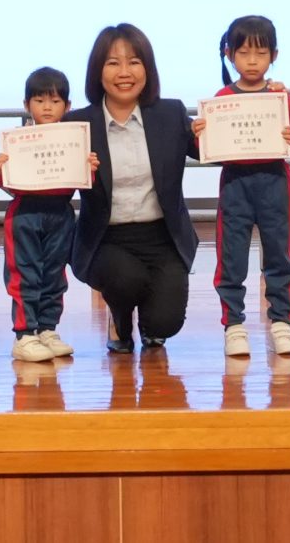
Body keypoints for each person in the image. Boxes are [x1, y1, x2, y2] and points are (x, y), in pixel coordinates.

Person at [73, 23, 198, 354]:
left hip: (162, 237)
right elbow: (47, 179)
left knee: (164, 325)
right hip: (105, 239)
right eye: (113, 63)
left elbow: (212, 148)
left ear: (148, 68)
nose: (124, 72)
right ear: (97, 70)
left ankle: (148, 319)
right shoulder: (77, 124)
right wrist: (6, 164)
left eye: (134, 62)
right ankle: (119, 317)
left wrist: (268, 100)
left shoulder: (170, 114)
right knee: (126, 279)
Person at [191, 15, 290, 359]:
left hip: (274, 183)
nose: (252, 61)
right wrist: (200, 135)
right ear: (229, 54)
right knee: (231, 258)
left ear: (274, 55)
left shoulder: (280, 96)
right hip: (235, 186)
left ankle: (281, 322)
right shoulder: (222, 99)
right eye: (243, 53)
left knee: (279, 257)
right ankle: (234, 325)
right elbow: (208, 151)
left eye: (261, 53)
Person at [0, 66, 82, 364]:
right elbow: (6, 183)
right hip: (25, 214)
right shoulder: (19, 140)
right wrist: (1, 168)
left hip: (61, 213)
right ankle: (24, 334)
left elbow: (83, 179)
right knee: (25, 274)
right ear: (26, 104)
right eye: (40, 100)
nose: (47, 107)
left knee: (55, 274)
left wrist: (89, 166)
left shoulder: (75, 139)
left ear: (67, 106)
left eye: (55, 101)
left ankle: (47, 329)